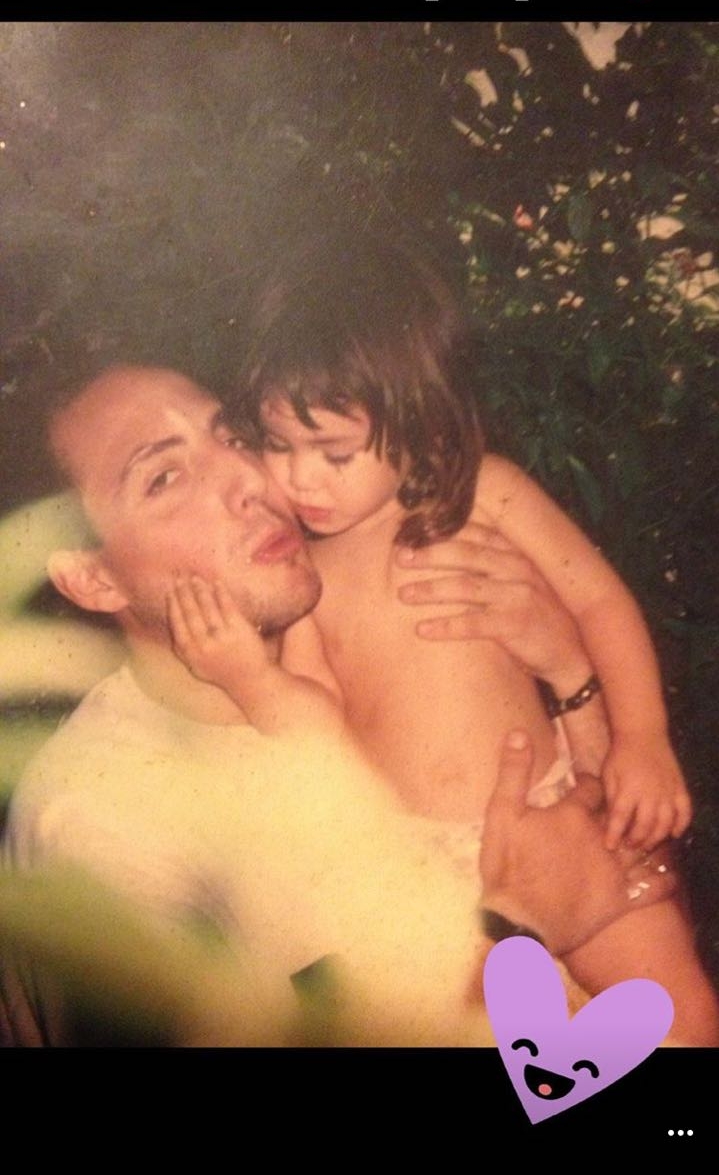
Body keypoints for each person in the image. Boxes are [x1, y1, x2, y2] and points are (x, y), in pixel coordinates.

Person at [0, 364, 674, 1048]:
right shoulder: (101, 832)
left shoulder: (315, 665)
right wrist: (520, 923)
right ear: (91, 577)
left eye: (233, 436)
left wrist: (571, 680)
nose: (250, 481)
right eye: (164, 478)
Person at [203, 230, 717, 1044]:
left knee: (683, 1020)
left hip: (555, 811)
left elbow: (599, 603)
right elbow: (319, 725)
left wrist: (642, 738)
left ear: (417, 420)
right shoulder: (303, 571)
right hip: (427, 874)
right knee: (518, 1045)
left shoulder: (484, 494)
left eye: (333, 452)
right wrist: (247, 675)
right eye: (278, 446)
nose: (300, 479)